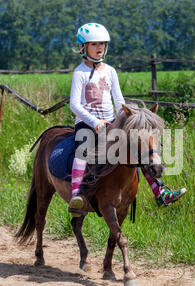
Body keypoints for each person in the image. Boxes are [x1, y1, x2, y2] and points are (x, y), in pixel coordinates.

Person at [68, 22, 186, 215]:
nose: (99, 48)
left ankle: (160, 190)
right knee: (82, 151)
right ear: (83, 47)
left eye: (102, 44)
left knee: (138, 149)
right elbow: (75, 105)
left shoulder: (110, 71)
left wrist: (127, 117)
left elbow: (119, 101)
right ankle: (77, 196)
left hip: (111, 122)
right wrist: (95, 122)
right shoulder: (79, 73)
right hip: (88, 124)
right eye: (94, 44)